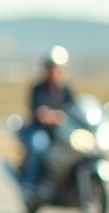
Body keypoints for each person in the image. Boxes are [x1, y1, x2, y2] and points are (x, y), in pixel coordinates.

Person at [20, 45, 76, 198]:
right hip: (39, 130)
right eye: (52, 68)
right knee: (39, 146)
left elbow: (75, 107)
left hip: (60, 132)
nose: (55, 72)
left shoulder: (65, 90)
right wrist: (47, 115)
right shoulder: (39, 89)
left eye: (58, 68)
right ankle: (30, 186)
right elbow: (38, 110)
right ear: (46, 69)